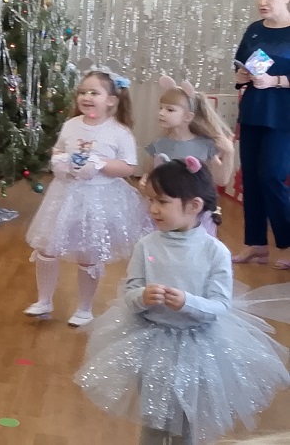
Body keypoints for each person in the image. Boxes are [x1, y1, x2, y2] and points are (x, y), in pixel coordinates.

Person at [76, 158, 290, 444]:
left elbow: (220, 305)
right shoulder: (146, 245)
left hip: (198, 348)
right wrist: (142, 296)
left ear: (194, 206)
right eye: (151, 200)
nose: (153, 209)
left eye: (162, 202)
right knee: (153, 422)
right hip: (152, 343)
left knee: (186, 423)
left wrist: (187, 302)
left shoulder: (214, 251)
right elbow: (130, 292)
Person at [24, 69, 153, 326]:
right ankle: (44, 300)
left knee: (88, 254)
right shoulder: (71, 125)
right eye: (82, 92)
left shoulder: (119, 132)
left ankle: (84, 308)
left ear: (111, 100)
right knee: (47, 248)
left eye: (94, 92)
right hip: (64, 196)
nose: (86, 97)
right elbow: (59, 150)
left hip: (98, 200)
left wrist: (99, 165)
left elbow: (128, 167)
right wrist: (60, 162)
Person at [232, 0, 290, 269]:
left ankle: (287, 243)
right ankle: (256, 244)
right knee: (252, 179)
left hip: (283, 117)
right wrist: (242, 76)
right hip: (254, 111)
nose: (262, 2)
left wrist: (276, 81)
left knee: (271, 176)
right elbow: (241, 67)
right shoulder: (254, 29)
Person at [140, 75, 235, 236]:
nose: (161, 113)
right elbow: (149, 174)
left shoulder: (205, 145)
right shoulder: (158, 145)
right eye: (161, 108)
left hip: (194, 215)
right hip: (166, 213)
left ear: (188, 117)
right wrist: (145, 183)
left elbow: (221, 179)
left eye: (170, 110)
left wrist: (229, 152)